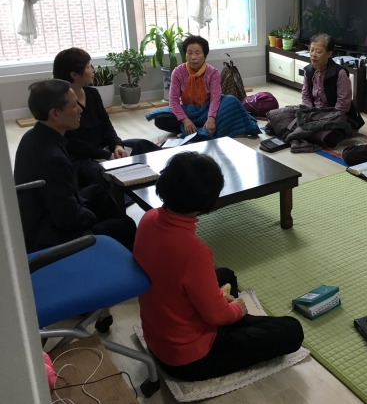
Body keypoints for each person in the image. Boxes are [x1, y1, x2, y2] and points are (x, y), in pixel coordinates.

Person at [133, 152, 304, 381]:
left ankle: (237, 321)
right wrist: (236, 309)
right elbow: (216, 316)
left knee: (226, 275)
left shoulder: (148, 218)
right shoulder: (194, 251)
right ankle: (238, 323)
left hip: (158, 336)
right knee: (291, 330)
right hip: (189, 358)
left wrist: (223, 304)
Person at [14, 80, 137, 253]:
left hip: (44, 214)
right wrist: (91, 216)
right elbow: (68, 219)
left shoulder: (32, 136)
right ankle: (109, 255)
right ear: (55, 113)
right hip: (50, 237)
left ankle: (109, 245)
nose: (80, 109)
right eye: (74, 106)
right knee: (126, 225)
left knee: (97, 192)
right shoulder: (53, 159)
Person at [52, 47, 159, 188]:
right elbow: (74, 144)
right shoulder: (62, 104)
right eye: (88, 67)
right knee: (98, 174)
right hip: (85, 158)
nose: (92, 70)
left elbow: (106, 125)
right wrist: (106, 155)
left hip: (106, 149)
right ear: (74, 74)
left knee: (141, 144)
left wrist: (117, 145)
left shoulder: (92, 93)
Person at [152, 35, 222, 136]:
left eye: (197, 53)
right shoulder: (178, 72)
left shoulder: (213, 73)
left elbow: (215, 99)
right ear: (185, 55)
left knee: (230, 102)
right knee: (160, 119)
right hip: (186, 111)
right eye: (189, 53)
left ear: (205, 55)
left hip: (206, 111)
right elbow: (173, 100)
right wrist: (185, 120)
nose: (193, 57)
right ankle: (193, 127)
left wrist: (211, 118)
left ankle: (198, 128)